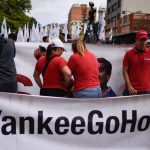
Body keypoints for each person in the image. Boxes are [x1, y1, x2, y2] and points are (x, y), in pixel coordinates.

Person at [122, 30, 150, 96]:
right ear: (136, 40)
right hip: (131, 90)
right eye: (141, 40)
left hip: (146, 90)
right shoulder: (129, 54)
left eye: (145, 40)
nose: (143, 42)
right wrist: (129, 86)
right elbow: (124, 71)